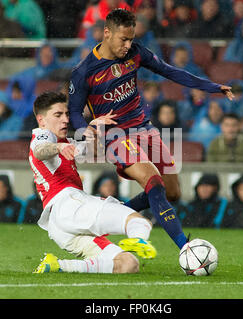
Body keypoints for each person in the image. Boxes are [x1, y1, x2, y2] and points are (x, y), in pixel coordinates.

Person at [68, 9, 233, 250]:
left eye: (131, 39)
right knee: (154, 183)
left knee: (172, 192)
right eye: (123, 39)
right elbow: (74, 111)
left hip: (145, 130)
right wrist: (86, 129)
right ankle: (186, 249)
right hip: (116, 137)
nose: (128, 45)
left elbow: (169, 71)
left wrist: (211, 87)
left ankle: (117, 212)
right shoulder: (84, 72)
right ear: (106, 33)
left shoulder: (135, 53)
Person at [29, 91, 156, 274]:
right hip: (69, 205)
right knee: (139, 223)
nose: (65, 120)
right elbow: (40, 150)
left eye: (66, 114)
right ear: (41, 120)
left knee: (128, 265)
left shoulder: (66, 141)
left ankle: (58, 266)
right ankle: (139, 240)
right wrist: (58, 146)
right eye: (58, 115)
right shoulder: (43, 136)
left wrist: (94, 130)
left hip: (61, 225)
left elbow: (96, 153)